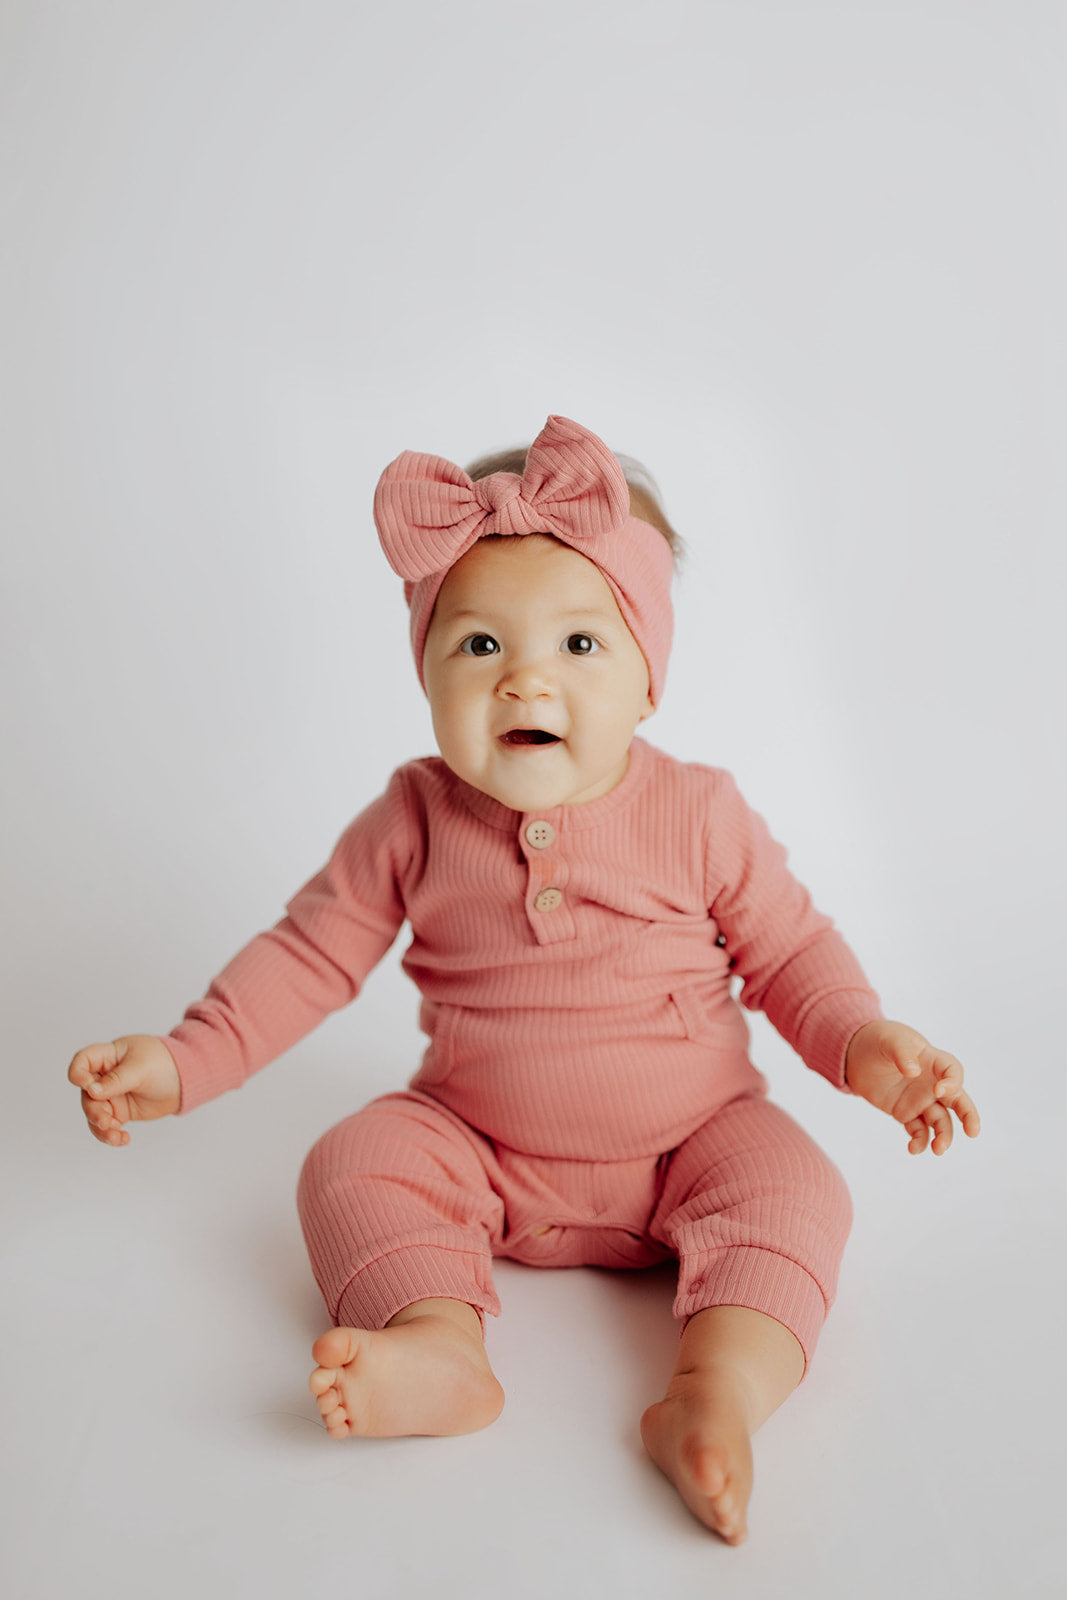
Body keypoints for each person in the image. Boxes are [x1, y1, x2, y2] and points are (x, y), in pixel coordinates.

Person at [67, 415, 980, 1545]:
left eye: (578, 646)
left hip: (692, 1140)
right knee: (349, 1162)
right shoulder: (414, 814)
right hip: (479, 1149)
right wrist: (184, 1058)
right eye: (480, 646)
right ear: (426, 671)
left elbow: (791, 952)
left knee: (796, 1190)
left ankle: (717, 1390)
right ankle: (442, 1345)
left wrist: (862, 1043)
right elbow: (308, 953)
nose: (523, 682)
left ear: (649, 679)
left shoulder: (698, 812)